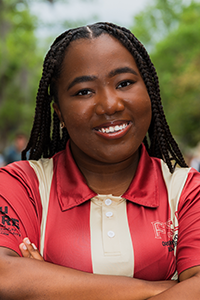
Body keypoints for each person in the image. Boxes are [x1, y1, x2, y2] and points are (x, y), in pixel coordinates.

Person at [0, 22, 200, 300]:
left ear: (150, 91)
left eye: (125, 83)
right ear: (59, 112)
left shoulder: (188, 191)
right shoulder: (22, 185)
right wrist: (163, 287)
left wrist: (49, 283)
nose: (110, 104)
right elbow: (5, 275)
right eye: (84, 91)